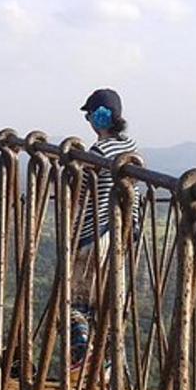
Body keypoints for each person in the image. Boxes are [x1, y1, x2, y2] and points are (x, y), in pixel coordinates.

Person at [70, 88, 140, 370]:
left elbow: (80, 190)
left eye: (89, 115)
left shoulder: (99, 152)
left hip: (93, 235)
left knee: (74, 304)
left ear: (99, 118)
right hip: (122, 238)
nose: (87, 120)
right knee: (109, 307)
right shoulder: (132, 150)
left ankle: (82, 352)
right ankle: (111, 369)